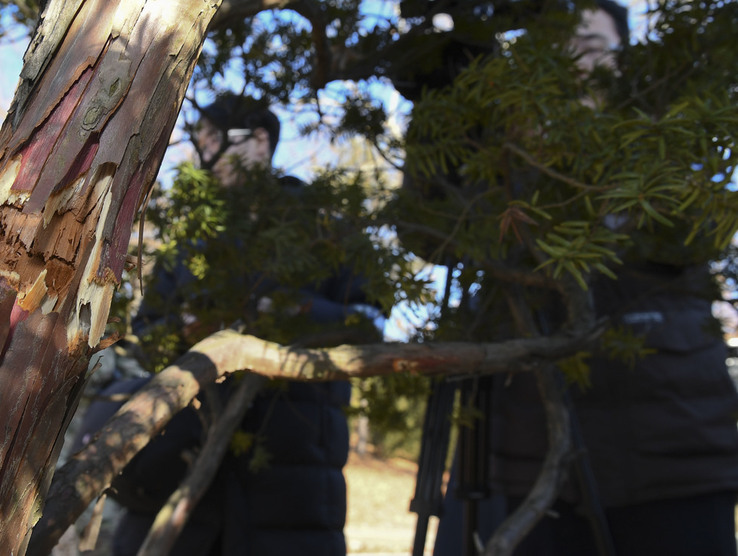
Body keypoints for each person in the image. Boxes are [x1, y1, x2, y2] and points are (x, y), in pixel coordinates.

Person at [432, 3, 738, 554]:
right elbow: (435, 231)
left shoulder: (666, 135)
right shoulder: (507, 157)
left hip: (672, 453)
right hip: (526, 459)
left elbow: (693, 232)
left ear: (625, 59)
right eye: (561, 49)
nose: (579, 62)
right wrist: (445, 117)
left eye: (594, 46)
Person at [79, 94, 383, 556]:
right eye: (201, 142)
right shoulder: (191, 240)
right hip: (178, 482)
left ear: (261, 141)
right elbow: (147, 335)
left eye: (218, 140)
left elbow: (369, 325)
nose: (206, 155)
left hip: (291, 481)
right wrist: (181, 329)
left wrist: (288, 312)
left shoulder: (327, 228)